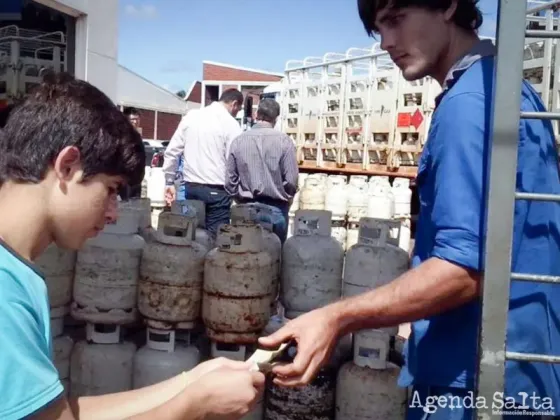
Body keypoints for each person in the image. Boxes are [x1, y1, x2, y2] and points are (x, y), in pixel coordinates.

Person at [259, 0, 560, 418]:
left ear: (449, 6)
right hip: (521, 365)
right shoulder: (504, 88)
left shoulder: (469, 104)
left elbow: (463, 270)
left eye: (397, 20)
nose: (386, 42)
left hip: (473, 380)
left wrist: (337, 317)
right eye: (378, 29)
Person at [0, 72, 265, 420]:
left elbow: (56, 414)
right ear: (67, 166)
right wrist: (191, 406)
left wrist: (192, 381)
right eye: (111, 190)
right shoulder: (6, 292)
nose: (113, 214)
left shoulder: (17, 274)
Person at [163, 89, 243, 237]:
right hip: (218, 193)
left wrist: (169, 182)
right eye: (238, 110)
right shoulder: (231, 124)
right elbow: (235, 161)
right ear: (234, 104)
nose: (237, 113)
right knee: (216, 241)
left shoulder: (191, 116)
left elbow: (172, 151)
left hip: (191, 189)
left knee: (189, 235)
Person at [225, 98, 298, 243]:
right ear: (276, 118)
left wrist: (238, 198)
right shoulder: (285, 142)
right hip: (276, 209)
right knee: (273, 258)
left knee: (242, 255)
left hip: (245, 209)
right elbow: (291, 180)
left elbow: (229, 180)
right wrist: (287, 197)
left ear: (256, 114)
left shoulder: (239, 141)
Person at [119, 106, 143, 200]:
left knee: (135, 205)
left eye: (137, 119)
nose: (135, 122)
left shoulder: (137, 135)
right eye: (133, 119)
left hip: (136, 179)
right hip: (125, 179)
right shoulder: (122, 136)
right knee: (126, 205)